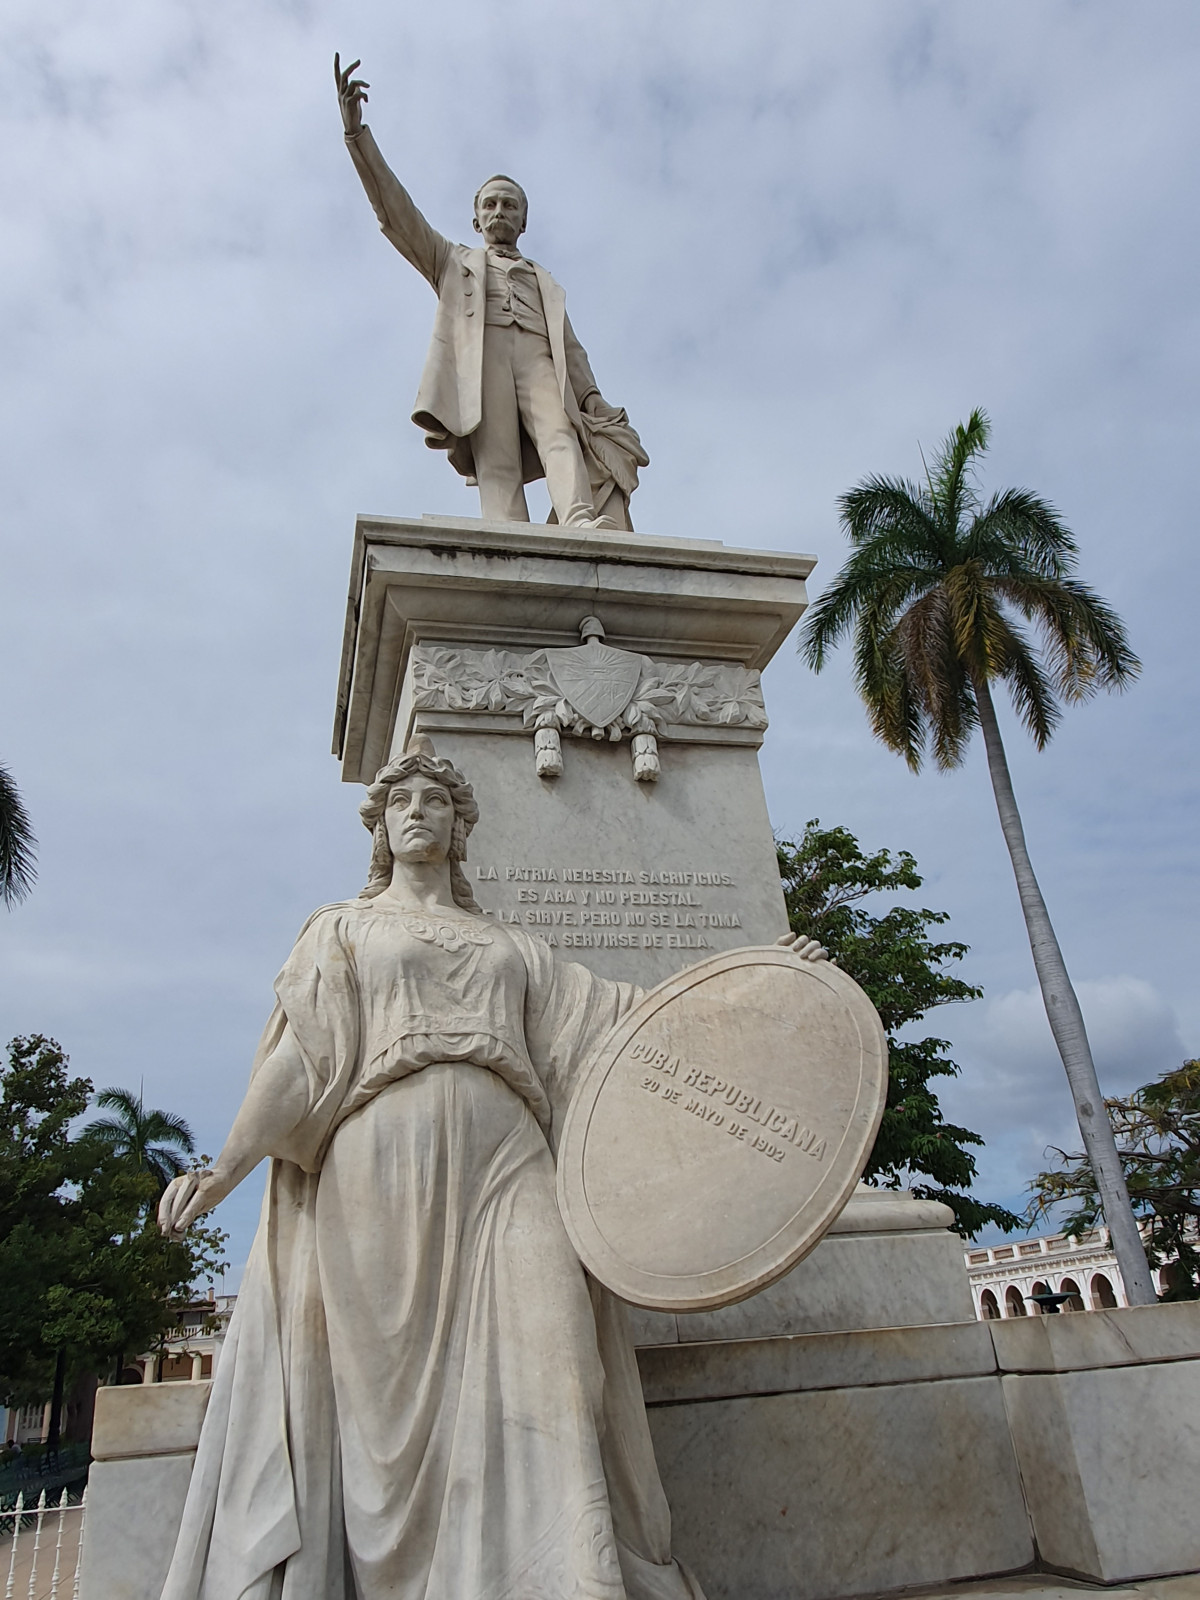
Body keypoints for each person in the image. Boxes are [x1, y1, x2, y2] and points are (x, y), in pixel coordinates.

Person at [158, 737, 826, 1599]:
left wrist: (758, 986)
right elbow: (301, 1063)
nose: (417, 814)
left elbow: (630, 1027)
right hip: (379, 1169)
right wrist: (224, 1170)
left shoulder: (516, 947)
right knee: (389, 1423)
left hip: (509, 1160)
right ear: (380, 829)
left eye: (434, 801)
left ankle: (578, 1581)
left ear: (459, 826)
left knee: (562, 1364)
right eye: (401, 803)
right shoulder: (344, 930)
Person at [334, 55, 648, 531]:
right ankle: (508, 538)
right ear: (476, 219)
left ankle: (579, 519)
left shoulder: (544, 281)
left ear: (523, 221)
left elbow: (571, 350)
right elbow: (396, 216)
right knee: (496, 457)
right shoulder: (452, 261)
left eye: (510, 205)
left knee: (559, 433)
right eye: (490, 204)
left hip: (536, 355)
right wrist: (358, 136)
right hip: (482, 356)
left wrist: (591, 399)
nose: (500, 211)